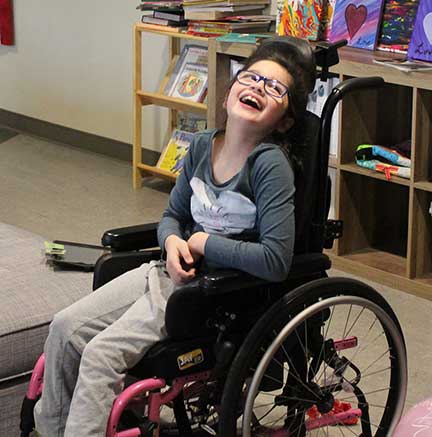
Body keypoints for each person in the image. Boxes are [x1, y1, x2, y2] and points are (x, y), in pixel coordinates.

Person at [33, 36, 316, 437]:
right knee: (63, 328)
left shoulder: (270, 167)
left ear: (285, 120)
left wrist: (204, 243)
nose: (257, 87)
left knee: (99, 356)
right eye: (251, 77)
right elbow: (172, 216)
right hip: (167, 274)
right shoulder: (201, 146)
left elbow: (275, 260)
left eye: (274, 88)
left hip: (213, 295)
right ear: (229, 91)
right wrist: (171, 243)